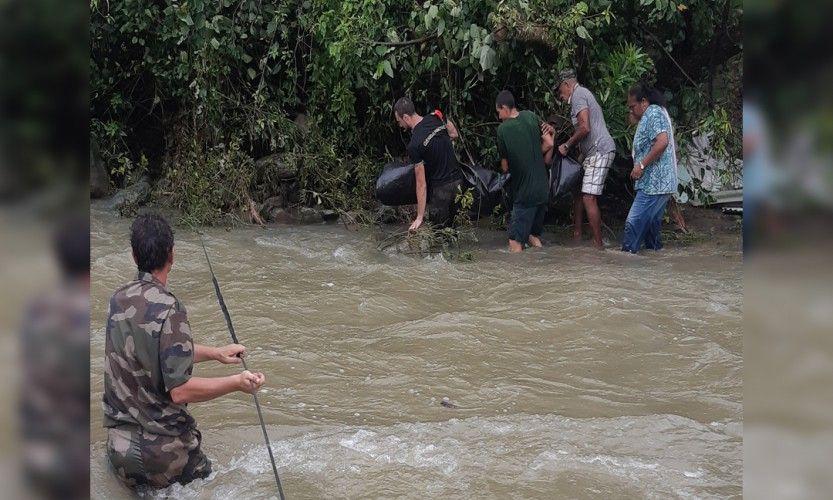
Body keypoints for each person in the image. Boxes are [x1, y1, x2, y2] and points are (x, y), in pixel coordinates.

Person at [103, 213, 266, 490]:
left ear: (133, 255)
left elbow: (150, 352)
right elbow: (180, 391)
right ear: (172, 255)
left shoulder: (117, 300)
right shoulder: (170, 308)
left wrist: (215, 353)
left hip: (120, 452)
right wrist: (237, 383)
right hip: (164, 457)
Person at [554, 68, 616, 248]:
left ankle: (598, 246)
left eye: (559, 91)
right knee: (578, 192)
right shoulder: (582, 94)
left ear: (567, 85)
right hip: (592, 152)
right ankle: (578, 234)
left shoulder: (579, 95)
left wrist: (567, 145)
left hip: (599, 150)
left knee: (589, 197)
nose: (560, 96)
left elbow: (585, 128)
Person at [622, 84, 679, 253]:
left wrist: (641, 165)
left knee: (633, 222)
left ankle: (626, 262)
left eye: (632, 106)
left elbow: (662, 141)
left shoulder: (653, 113)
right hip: (660, 183)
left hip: (654, 184)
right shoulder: (652, 113)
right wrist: (634, 115)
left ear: (644, 102)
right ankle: (655, 262)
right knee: (650, 229)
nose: (630, 111)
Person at [495, 90, 553, 252]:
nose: (499, 116)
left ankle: (518, 277)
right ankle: (542, 267)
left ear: (505, 108)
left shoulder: (503, 130)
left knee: (514, 242)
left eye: (499, 112)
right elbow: (549, 142)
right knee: (533, 236)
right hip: (543, 190)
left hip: (525, 194)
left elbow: (505, 167)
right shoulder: (531, 116)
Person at [394, 97, 463, 230]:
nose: (400, 125)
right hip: (459, 184)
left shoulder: (414, 145)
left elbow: (421, 184)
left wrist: (419, 217)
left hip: (441, 192)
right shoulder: (436, 116)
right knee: (454, 232)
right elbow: (454, 134)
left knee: (438, 240)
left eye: (399, 121)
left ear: (406, 117)